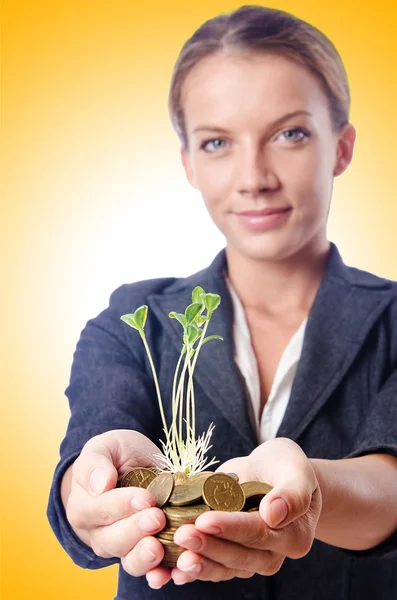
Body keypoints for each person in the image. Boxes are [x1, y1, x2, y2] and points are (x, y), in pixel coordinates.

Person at [47, 5, 397, 600]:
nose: (254, 176)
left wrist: (308, 487)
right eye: (217, 142)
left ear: (341, 147)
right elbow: (94, 446)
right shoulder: (133, 322)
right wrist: (87, 490)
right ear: (188, 163)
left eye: (290, 134)